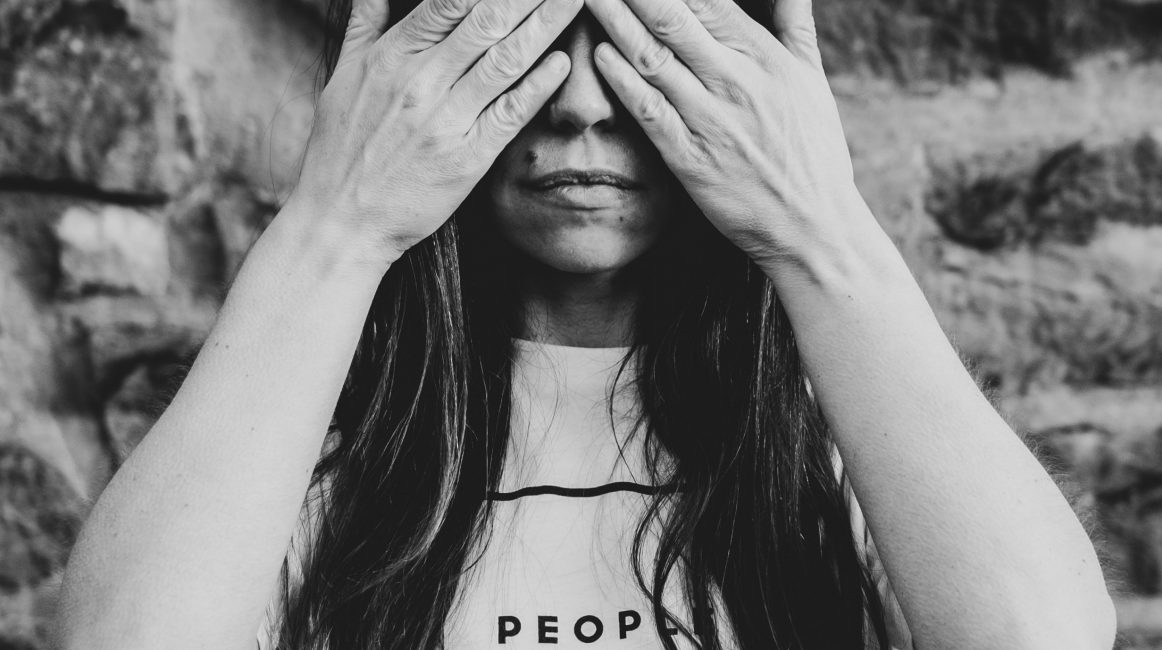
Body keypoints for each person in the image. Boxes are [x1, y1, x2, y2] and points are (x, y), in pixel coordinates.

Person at [54, 0, 1116, 647]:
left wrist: (818, 223)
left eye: (635, 40)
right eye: (525, 38)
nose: (583, 106)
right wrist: (336, 220)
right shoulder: (291, 455)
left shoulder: (858, 447)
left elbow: (1040, 637)